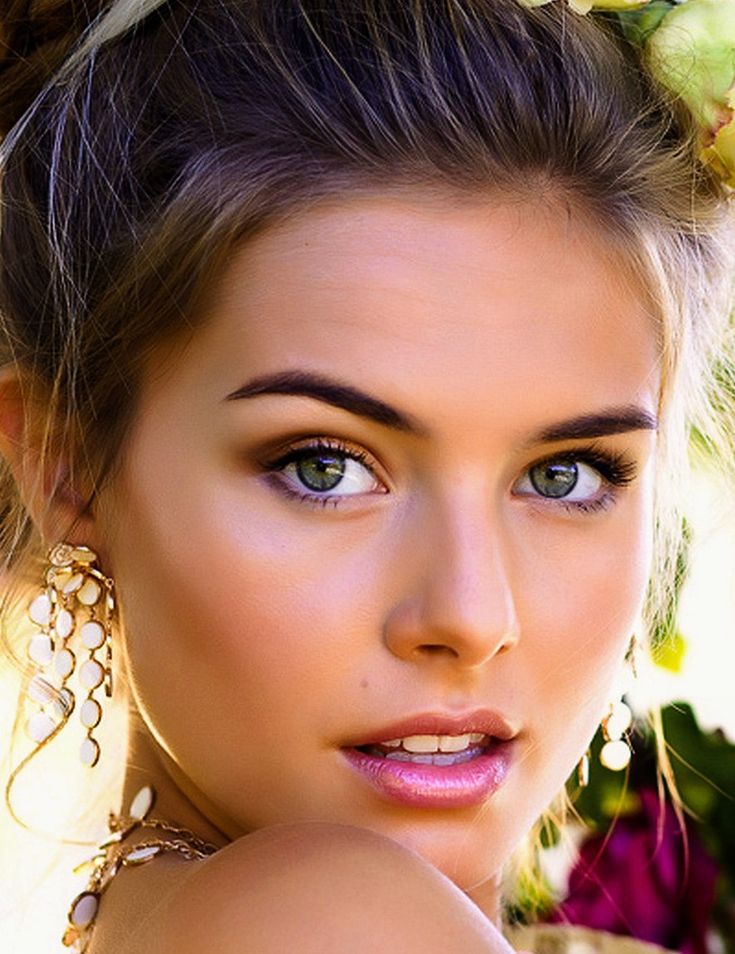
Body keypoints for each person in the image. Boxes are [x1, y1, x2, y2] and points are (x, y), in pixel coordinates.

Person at [0, 0, 732, 951]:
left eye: (565, 476)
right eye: (325, 468)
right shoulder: (321, 919)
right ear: (67, 468)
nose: (471, 619)